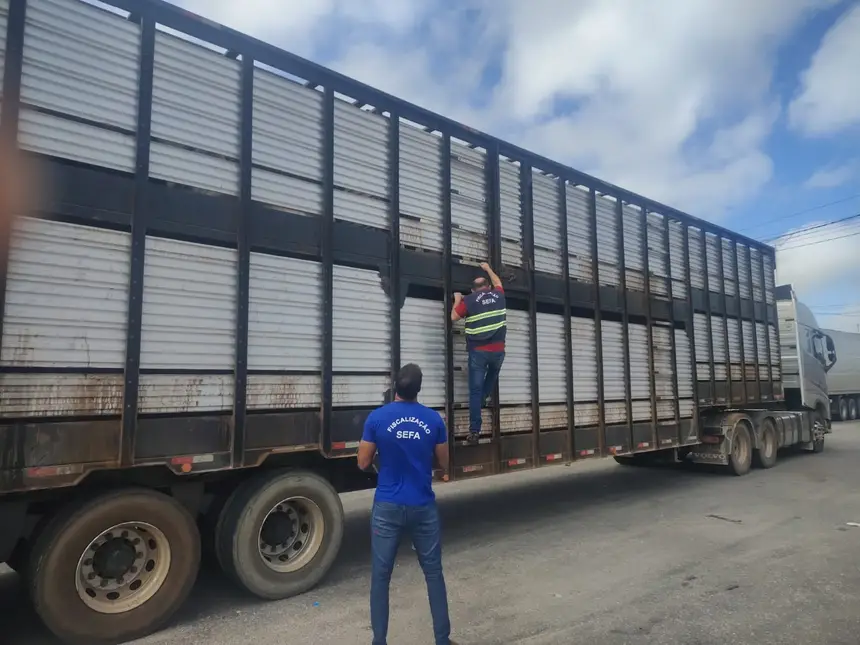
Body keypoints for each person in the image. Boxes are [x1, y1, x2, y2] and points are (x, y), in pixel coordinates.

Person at [357, 363, 457, 645]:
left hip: (387, 506)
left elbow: (363, 462)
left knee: (381, 576)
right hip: (422, 505)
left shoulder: (377, 418)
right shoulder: (434, 420)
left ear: (395, 387)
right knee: (433, 573)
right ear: (418, 389)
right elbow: (444, 463)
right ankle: (442, 640)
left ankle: (379, 641)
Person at [451, 261, 506, 445]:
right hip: (498, 352)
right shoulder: (498, 295)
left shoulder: (469, 300)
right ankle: (482, 399)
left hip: (478, 354)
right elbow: (498, 282)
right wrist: (488, 268)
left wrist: (458, 299)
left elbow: (453, 317)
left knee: (475, 392)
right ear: (488, 287)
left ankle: (474, 432)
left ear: (473, 290)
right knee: (490, 380)